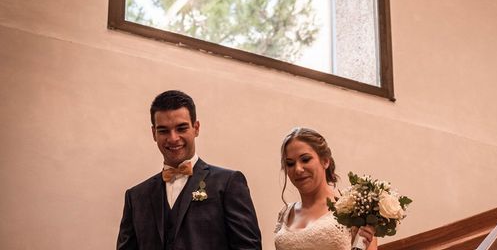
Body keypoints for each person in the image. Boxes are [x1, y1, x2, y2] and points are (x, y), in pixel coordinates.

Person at [116, 90, 262, 250]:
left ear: (196, 128)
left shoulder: (228, 183)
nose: (173, 138)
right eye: (163, 130)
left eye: (181, 128)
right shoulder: (136, 197)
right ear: (154, 133)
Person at [274, 127, 377, 250]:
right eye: (290, 163)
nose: (298, 169)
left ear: (325, 161)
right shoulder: (285, 212)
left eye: (305, 159)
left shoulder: (354, 211)